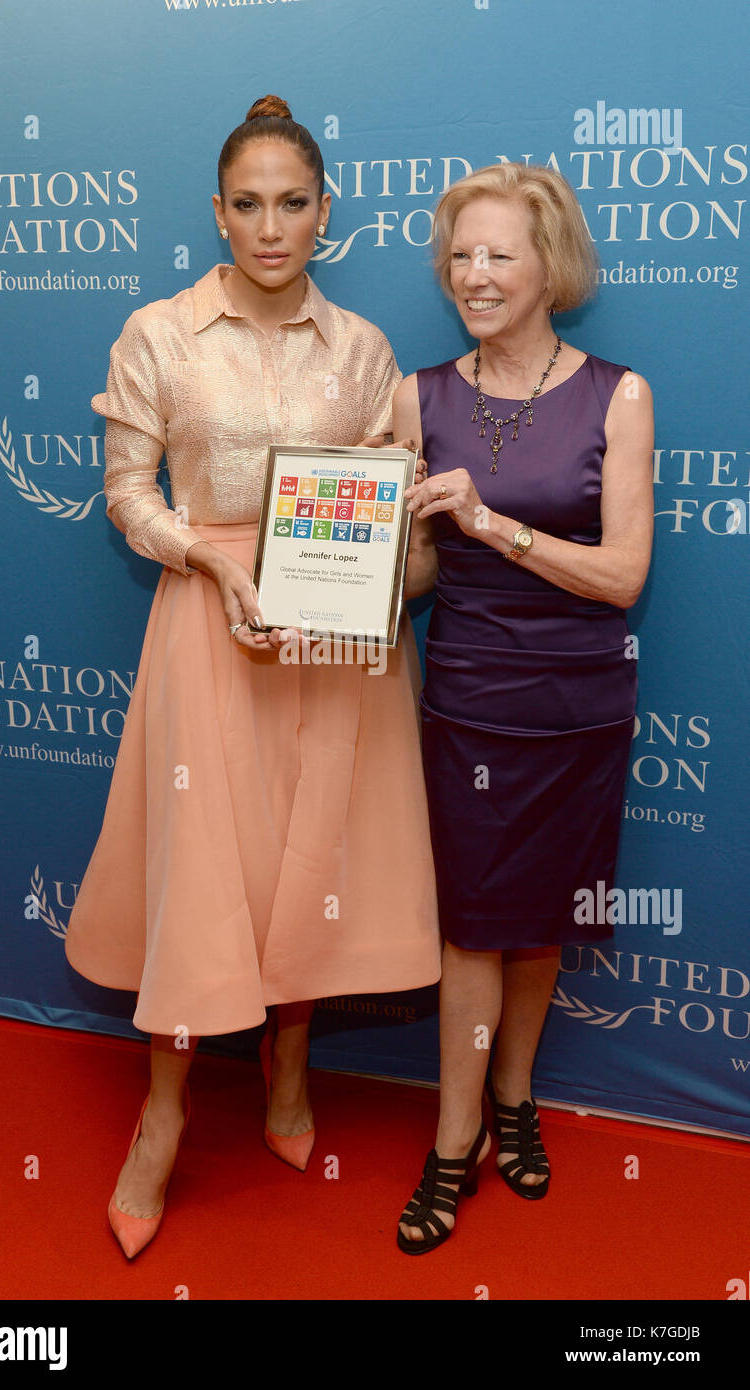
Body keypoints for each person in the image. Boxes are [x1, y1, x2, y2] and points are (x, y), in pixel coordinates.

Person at [65, 95, 441, 1259]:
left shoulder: (368, 349)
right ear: (216, 213)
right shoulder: (158, 333)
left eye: (292, 204)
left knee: (307, 848)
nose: (269, 226)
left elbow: (387, 514)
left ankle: (288, 1063)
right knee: (204, 863)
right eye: (247, 204)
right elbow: (131, 496)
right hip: (206, 624)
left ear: (326, 213)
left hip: (335, 643)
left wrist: (381, 581)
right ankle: (163, 1117)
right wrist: (209, 568)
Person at [393, 162, 654, 1253]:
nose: (476, 274)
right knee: (471, 930)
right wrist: (360, 539)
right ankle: (455, 1139)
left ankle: (515, 1102)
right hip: (470, 702)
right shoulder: (418, 395)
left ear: (552, 266)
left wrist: (492, 526)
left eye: (499, 253)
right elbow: (410, 585)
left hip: (581, 707)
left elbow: (624, 576)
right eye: (461, 254)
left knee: (544, 925)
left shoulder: (620, 394)